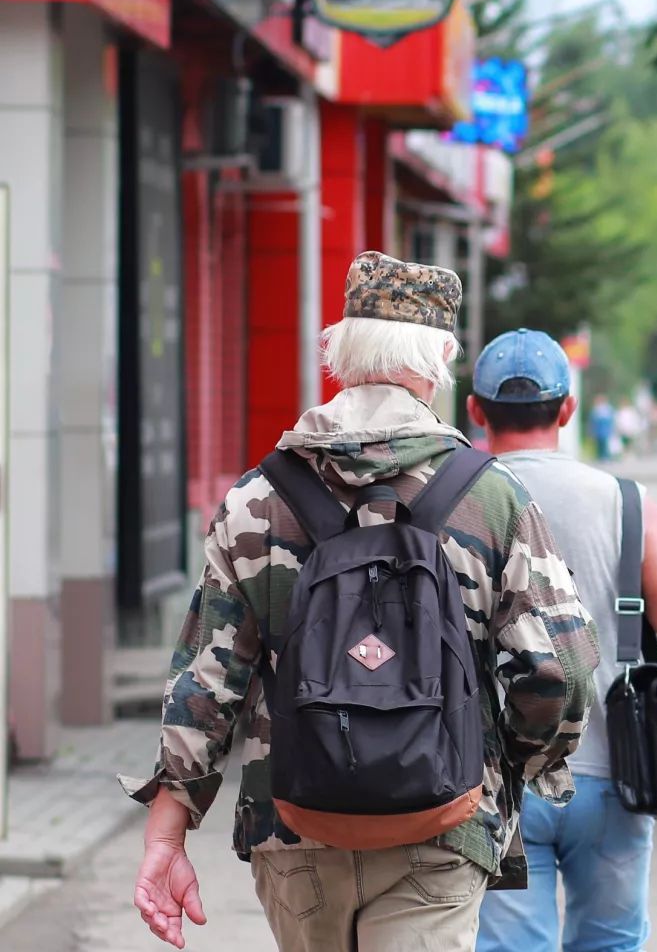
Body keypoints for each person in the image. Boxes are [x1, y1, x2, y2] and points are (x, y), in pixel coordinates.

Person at [123, 252, 601, 952]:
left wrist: (169, 831)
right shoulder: (489, 496)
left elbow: (207, 678)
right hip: (444, 821)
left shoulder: (259, 497)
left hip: (294, 818)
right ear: (440, 358)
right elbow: (563, 674)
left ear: (340, 352)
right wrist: (510, 766)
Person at [463, 330, 657, 952]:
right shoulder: (627, 504)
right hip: (616, 768)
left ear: (475, 410)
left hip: (495, 772)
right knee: (610, 944)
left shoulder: (454, 499)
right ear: (568, 409)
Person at [591, 395, 616, 461]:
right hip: (599, 429)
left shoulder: (607, 408)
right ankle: (600, 455)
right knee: (599, 443)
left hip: (605, 429)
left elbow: (611, 419)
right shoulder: (597, 409)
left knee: (605, 443)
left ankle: (604, 456)